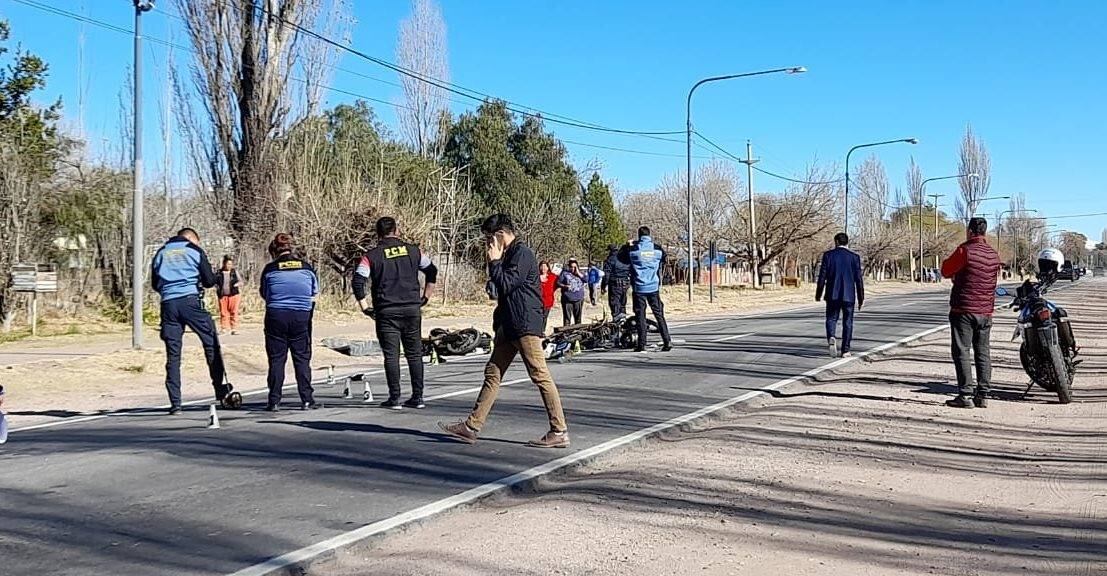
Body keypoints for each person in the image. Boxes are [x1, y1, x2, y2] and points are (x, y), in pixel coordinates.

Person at [438, 213, 569, 448]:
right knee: (493, 373)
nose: (488, 243)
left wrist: (495, 261)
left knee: (540, 375)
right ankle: (471, 426)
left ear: (500, 235)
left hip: (525, 325)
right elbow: (498, 289)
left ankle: (559, 430)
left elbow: (506, 284)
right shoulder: (509, 255)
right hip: (509, 326)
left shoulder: (522, 254)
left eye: (490, 237)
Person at [353, 217, 438, 410]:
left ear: (378, 233)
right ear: (397, 231)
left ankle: (395, 398)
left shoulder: (371, 256)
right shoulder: (413, 251)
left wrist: (365, 307)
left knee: (391, 356)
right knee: (414, 354)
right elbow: (432, 270)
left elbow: (358, 281)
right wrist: (426, 297)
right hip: (411, 308)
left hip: (386, 311)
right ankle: (418, 397)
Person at [150, 227, 231, 415]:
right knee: (210, 342)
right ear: (192, 239)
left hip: (168, 304)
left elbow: (155, 283)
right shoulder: (194, 250)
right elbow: (209, 280)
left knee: (173, 355)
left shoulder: (161, 252)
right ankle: (221, 390)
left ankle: (175, 403)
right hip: (191, 301)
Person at [941, 217, 1001, 409]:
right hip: (986, 311)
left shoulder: (964, 250)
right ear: (984, 232)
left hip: (963, 309)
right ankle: (983, 395)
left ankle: (965, 395)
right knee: (983, 352)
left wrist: (957, 276)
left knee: (962, 352)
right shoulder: (993, 254)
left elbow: (945, 270)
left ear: (970, 231)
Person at [259, 233, 320, 411]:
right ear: (291, 248)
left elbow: (264, 293)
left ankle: (274, 400)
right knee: (301, 358)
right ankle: (307, 399)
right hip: (301, 316)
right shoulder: (307, 267)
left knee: (277, 359)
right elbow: (314, 292)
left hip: (276, 315)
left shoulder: (270, 269)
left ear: (274, 251)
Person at [620, 226, 672, 352]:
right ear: (649, 235)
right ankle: (667, 340)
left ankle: (641, 343)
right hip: (653, 286)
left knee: (640, 317)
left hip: (639, 287)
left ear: (639, 236)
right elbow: (665, 259)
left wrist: (627, 245)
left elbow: (620, 258)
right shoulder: (657, 249)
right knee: (659, 314)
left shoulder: (633, 250)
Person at [815, 232, 865, 358]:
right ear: (847, 242)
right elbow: (859, 279)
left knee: (831, 319)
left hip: (832, 294)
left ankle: (831, 336)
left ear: (836, 242)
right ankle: (845, 350)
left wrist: (818, 293)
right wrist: (861, 297)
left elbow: (822, 277)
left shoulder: (828, 256)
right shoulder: (854, 257)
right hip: (849, 295)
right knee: (848, 322)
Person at [601, 243, 632, 318]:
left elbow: (606, 275)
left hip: (615, 285)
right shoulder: (625, 258)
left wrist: (603, 286)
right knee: (622, 304)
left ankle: (617, 323)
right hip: (625, 284)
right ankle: (623, 322)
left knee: (615, 305)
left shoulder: (611, 259)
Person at [215, 255, 242, 335]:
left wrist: (237, 284)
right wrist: (217, 287)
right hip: (223, 296)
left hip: (233, 295)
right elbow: (214, 282)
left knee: (234, 312)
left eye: (230, 264)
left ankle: (234, 328)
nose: (229, 266)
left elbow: (241, 282)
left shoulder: (234, 272)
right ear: (224, 264)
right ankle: (224, 328)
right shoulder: (219, 273)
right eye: (227, 264)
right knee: (223, 312)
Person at [558, 258, 587, 326]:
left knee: (578, 319)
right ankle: (566, 333)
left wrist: (578, 273)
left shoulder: (581, 273)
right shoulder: (564, 273)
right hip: (567, 299)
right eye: (571, 267)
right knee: (567, 319)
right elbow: (558, 282)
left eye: (575, 267)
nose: (573, 268)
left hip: (578, 299)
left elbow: (586, 280)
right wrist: (564, 286)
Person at [538, 261, 558, 330]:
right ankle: (537, 330)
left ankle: (542, 330)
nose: (543, 268)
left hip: (548, 301)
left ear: (548, 267)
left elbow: (558, 284)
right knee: (538, 317)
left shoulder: (552, 276)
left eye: (545, 266)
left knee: (545, 316)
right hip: (538, 301)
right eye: (541, 266)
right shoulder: (536, 277)